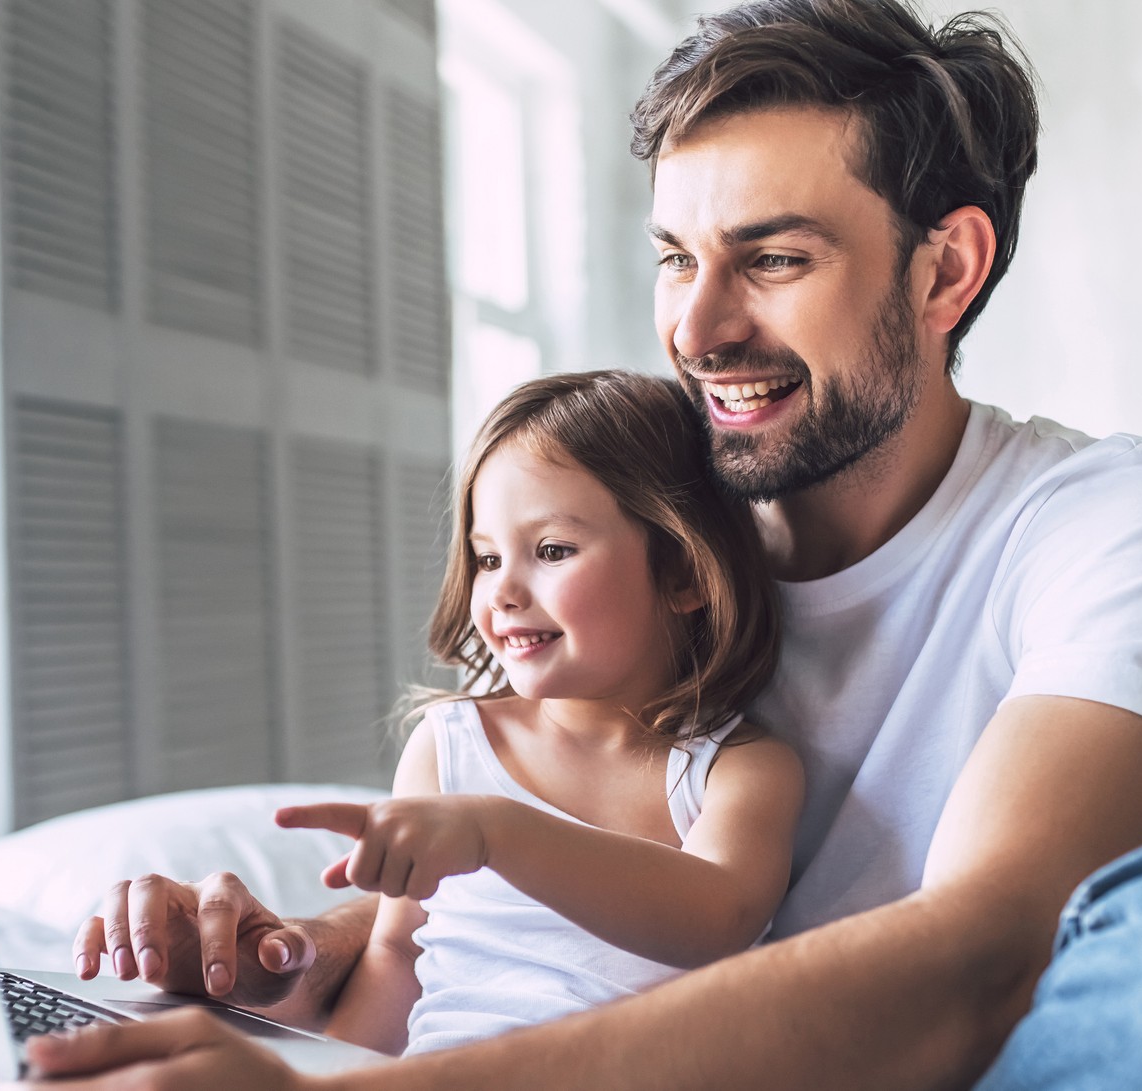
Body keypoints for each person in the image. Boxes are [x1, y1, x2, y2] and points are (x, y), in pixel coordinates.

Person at [0, 1, 1142, 1088]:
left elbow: (980, 951)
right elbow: (507, 916)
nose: (699, 327)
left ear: (947, 268)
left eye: (772, 260)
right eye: (675, 259)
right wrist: (270, 962)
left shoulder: (1110, 516)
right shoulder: (636, 541)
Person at [268, 371, 803, 1056]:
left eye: (552, 550)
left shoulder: (741, 770)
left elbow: (719, 911)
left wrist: (497, 833)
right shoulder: (449, 749)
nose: (503, 591)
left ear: (686, 573)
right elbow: (399, 956)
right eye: (487, 558)